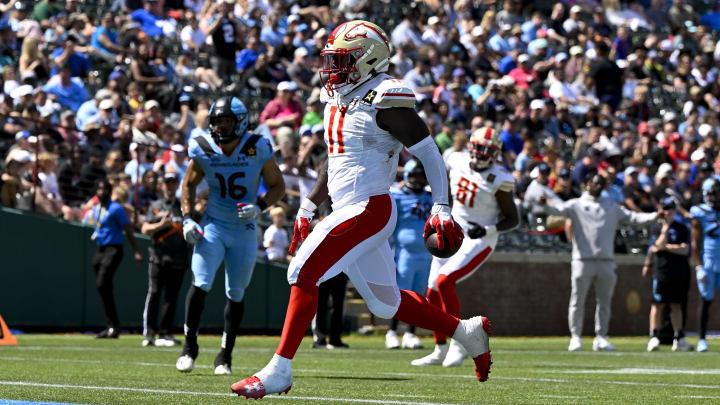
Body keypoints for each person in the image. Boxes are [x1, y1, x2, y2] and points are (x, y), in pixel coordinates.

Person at [231, 21, 489, 400]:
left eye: (343, 59)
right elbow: (333, 159)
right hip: (348, 207)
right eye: (333, 60)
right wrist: (306, 205)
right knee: (386, 303)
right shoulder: (335, 96)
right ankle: (465, 331)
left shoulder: (385, 97)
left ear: (369, 59)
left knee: (302, 270)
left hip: (370, 207)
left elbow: (429, 152)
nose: (334, 69)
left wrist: (441, 206)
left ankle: (279, 370)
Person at [176, 96, 285, 375]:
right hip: (213, 225)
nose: (221, 128)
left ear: (240, 122)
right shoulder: (203, 148)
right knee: (200, 282)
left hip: (244, 229)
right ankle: (189, 347)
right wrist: (188, 219)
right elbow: (187, 185)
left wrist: (259, 207)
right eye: (217, 122)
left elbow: (278, 186)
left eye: (226, 122)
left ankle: (225, 355)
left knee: (235, 293)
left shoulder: (257, 146)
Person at [412, 127, 519, 368]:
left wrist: (489, 229)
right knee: (431, 292)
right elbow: (446, 189)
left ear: (496, 153)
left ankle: (459, 344)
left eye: (487, 150)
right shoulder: (456, 159)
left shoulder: (500, 178)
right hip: (454, 230)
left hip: (480, 238)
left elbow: (513, 219)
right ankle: (439, 349)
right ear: (470, 146)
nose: (481, 154)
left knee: (444, 282)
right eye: (478, 148)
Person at [538, 173, 661, 351]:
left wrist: (656, 216)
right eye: (594, 183)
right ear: (587, 184)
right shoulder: (576, 204)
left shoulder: (611, 206)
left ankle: (601, 337)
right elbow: (557, 211)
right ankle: (575, 337)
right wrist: (545, 205)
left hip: (606, 261)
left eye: (600, 184)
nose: (597, 186)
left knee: (604, 302)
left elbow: (634, 218)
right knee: (577, 300)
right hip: (582, 260)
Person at [386, 159, 433, 350]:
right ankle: (392, 331)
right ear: (407, 175)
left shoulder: (429, 198)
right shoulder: (396, 196)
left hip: (426, 254)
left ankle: (410, 333)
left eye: (422, 175)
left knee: (419, 295)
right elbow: (389, 227)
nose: (419, 179)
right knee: (402, 295)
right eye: (416, 175)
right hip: (404, 253)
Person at [89, 179, 144, 338]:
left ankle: (114, 325)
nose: (101, 192)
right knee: (103, 287)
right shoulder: (96, 208)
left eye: (104, 189)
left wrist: (137, 251)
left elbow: (128, 229)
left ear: (109, 191)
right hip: (100, 248)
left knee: (102, 283)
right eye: (99, 189)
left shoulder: (115, 208)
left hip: (114, 248)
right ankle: (111, 325)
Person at [140, 173, 189, 347]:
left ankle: (165, 333)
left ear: (177, 186)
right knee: (154, 293)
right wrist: (161, 225)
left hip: (178, 257)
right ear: (162, 186)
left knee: (171, 297)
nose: (170, 186)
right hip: (158, 256)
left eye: (173, 183)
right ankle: (149, 334)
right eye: (167, 183)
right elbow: (145, 228)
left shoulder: (183, 206)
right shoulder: (155, 205)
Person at [644, 198, 692, 352]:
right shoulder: (657, 227)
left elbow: (685, 249)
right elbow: (656, 246)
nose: (668, 212)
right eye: (665, 209)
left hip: (678, 272)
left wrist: (667, 247)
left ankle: (678, 338)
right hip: (661, 271)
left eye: (671, 209)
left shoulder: (682, 228)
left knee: (676, 305)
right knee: (657, 305)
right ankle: (654, 337)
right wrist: (665, 229)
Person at [690, 180, 720, 352]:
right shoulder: (699, 212)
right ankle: (702, 338)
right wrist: (699, 267)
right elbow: (695, 242)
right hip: (708, 261)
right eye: (713, 193)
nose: (716, 197)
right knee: (706, 300)